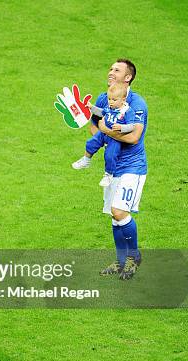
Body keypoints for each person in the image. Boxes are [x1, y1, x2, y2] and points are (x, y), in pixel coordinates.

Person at [86, 59, 148, 280]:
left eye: (116, 70)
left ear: (128, 77)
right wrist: (100, 136)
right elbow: (94, 125)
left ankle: (134, 256)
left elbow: (133, 137)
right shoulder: (105, 97)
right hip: (112, 168)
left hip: (132, 167)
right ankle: (121, 262)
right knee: (114, 215)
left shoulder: (137, 103)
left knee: (120, 211)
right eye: (110, 68)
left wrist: (105, 132)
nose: (110, 72)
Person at [72, 82, 138, 187]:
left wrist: (122, 128)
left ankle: (108, 175)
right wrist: (91, 107)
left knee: (110, 155)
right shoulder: (110, 108)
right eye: (109, 99)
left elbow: (132, 126)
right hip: (103, 133)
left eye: (114, 100)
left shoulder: (127, 111)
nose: (111, 102)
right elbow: (101, 112)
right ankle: (86, 159)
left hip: (115, 138)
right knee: (91, 143)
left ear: (123, 100)